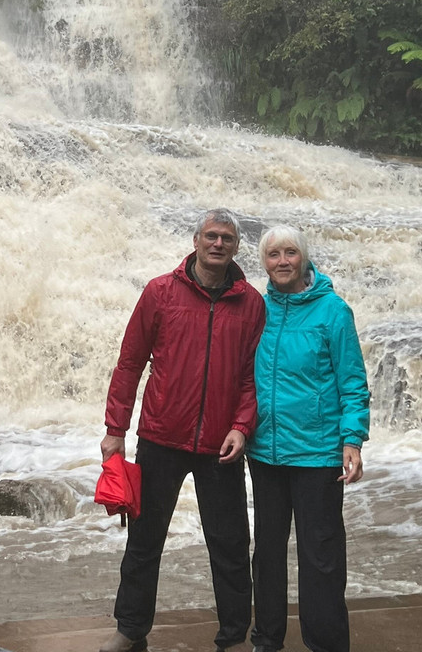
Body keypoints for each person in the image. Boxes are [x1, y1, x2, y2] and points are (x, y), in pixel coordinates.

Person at [100, 208, 266, 652]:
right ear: (195, 240)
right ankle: (130, 630)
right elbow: (130, 363)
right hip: (160, 437)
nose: (218, 244)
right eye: (210, 236)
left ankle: (232, 638)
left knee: (230, 546)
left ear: (235, 247)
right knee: (144, 542)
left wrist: (241, 426)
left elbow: (254, 377)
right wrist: (115, 429)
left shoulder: (251, 303)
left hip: (221, 446)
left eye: (226, 239)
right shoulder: (160, 292)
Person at [248, 226, 371, 652]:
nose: (282, 261)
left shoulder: (333, 312)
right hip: (264, 451)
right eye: (273, 254)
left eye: (290, 253)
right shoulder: (256, 310)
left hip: (317, 454)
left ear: (304, 259)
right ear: (263, 262)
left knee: (320, 557)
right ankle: (266, 640)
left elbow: (353, 381)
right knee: (266, 553)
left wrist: (352, 440)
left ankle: (327, 644)